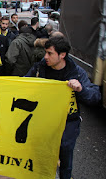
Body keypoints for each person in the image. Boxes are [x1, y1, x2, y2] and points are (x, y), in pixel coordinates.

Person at [26, 34, 101, 179]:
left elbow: (95, 96)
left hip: (68, 122)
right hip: (44, 121)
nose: (45, 56)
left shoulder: (78, 73)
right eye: (45, 52)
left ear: (62, 55)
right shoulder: (39, 69)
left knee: (65, 156)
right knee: (40, 157)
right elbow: (22, 84)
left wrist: (81, 89)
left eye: (49, 53)